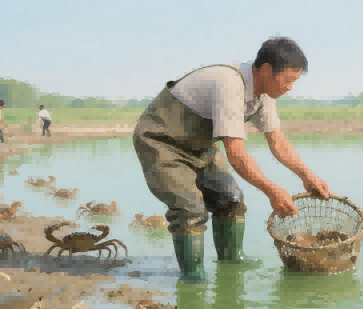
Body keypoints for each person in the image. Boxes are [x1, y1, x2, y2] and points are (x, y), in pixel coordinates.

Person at [133, 36, 330, 280]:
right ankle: (193, 277)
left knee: (231, 198)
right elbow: (236, 155)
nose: (290, 87)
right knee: (190, 208)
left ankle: (231, 262)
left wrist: (307, 176)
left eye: (294, 81)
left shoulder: (263, 95)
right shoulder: (229, 84)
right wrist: (272, 191)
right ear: (267, 70)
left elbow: (277, 141)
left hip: (200, 146)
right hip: (162, 142)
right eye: (288, 80)